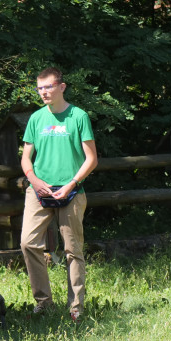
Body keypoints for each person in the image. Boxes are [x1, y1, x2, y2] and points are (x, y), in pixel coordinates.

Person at [20, 67, 98, 321]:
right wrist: (33, 179)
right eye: (40, 88)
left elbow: (92, 159)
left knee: (72, 249)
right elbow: (26, 159)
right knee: (28, 242)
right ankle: (43, 302)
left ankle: (76, 307)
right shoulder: (36, 118)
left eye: (48, 87)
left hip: (71, 191)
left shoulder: (78, 116)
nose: (44, 92)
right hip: (38, 190)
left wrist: (72, 184)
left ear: (61, 87)